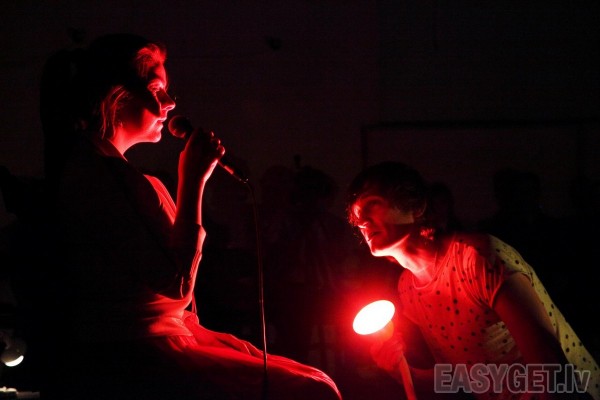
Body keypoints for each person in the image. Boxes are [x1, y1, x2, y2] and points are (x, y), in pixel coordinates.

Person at [35, 33, 341, 400]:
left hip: (167, 340)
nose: (169, 103)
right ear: (116, 95)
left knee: (313, 379)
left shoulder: (118, 175)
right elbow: (176, 284)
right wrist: (193, 178)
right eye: (157, 89)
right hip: (141, 356)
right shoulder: (97, 177)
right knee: (312, 390)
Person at [345, 161, 599, 400]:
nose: (362, 222)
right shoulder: (409, 289)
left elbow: (550, 367)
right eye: (357, 216)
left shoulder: (478, 258)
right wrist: (400, 370)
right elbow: (461, 379)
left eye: (372, 205)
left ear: (417, 206)